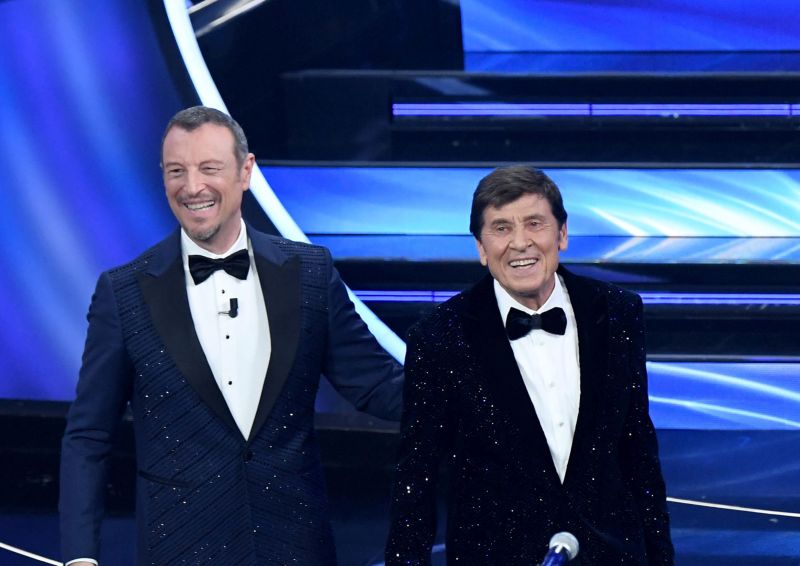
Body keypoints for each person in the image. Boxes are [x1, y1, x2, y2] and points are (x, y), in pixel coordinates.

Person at [59, 106, 403, 565]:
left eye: (209, 168)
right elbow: (88, 436)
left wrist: (481, 389)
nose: (192, 186)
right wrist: (80, 556)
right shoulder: (124, 292)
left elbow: (376, 385)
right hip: (179, 550)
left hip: (295, 546)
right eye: (176, 171)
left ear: (246, 171)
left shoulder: (309, 273)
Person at [385, 166, 674, 565]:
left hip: (611, 554)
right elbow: (417, 477)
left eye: (534, 224)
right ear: (481, 248)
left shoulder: (618, 312)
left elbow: (638, 447)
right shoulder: (439, 336)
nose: (520, 243)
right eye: (501, 228)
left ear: (562, 234)